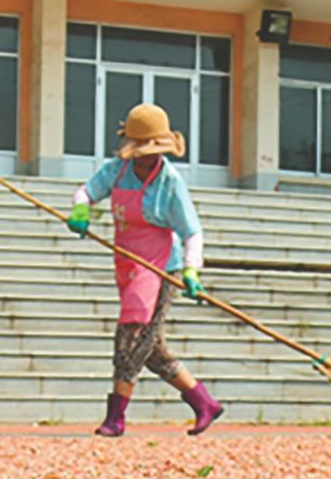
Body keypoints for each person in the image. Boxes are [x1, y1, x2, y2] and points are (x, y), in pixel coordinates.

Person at [67, 103, 224, 437]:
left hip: (159, 269)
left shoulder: (170, 183)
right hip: (127, 264)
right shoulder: (117, 170)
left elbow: (192, 231)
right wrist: (81, 209)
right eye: (140, 152)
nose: (144, 158)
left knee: (131, 338)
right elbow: (86, 191)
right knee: (151, 348)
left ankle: (115, 417)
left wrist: (191, 272)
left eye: (151, 153)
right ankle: (204, 402)